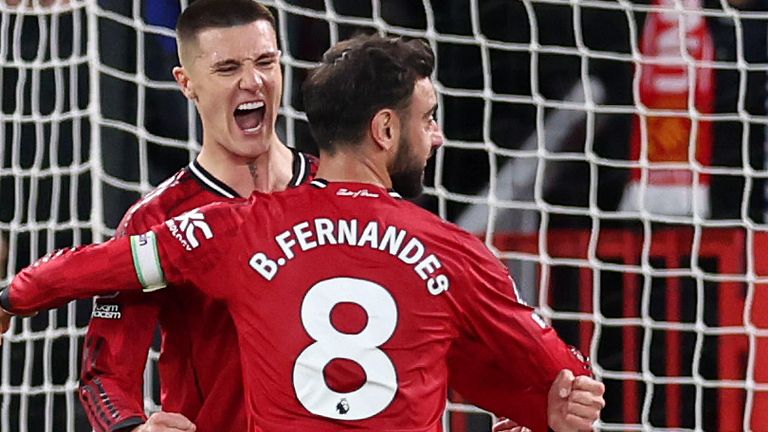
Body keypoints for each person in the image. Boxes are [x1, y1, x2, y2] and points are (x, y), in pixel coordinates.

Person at [0, 34, 604, 431]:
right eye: (430, 119)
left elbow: (97, 267)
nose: (439, 135)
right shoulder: (452, 251)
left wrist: (14, 294)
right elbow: (556, 370)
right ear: (386, 130)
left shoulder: (237, 228)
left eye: (265, 63)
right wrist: (544, 404)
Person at [77, 1, 316, 432]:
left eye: (266, 61)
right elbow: (105, 372)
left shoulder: (335, 192)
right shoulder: (156, 220)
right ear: (187, 83)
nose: (253, 81)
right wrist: (132, 428)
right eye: (227, 69)